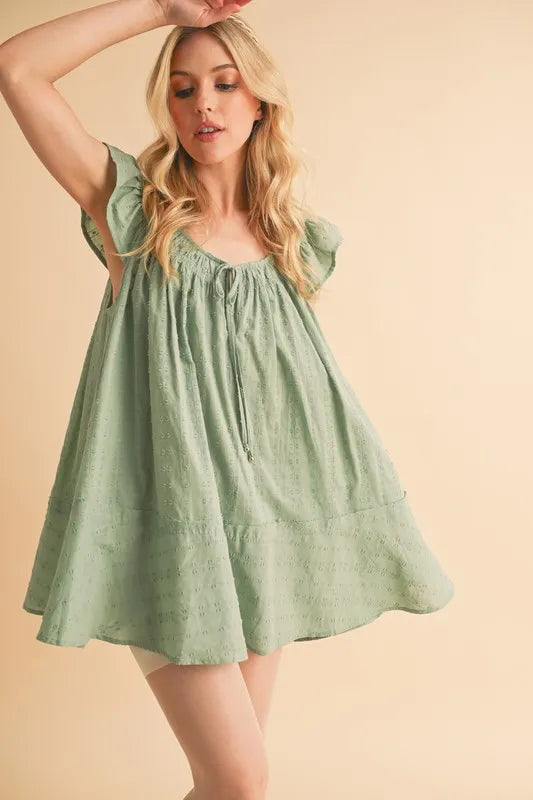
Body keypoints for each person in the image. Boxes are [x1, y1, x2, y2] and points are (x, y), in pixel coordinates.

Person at [0, 1, 454, 798]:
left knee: (224, 789)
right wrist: (158, 7)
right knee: (240, 780)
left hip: (258, 540)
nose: (202, 104)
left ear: (259, 103)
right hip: (169, 544)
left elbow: (296, 409)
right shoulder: (133, 217)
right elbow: (17, 67)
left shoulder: (291, 244)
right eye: (182, 89)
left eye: (223, 83)